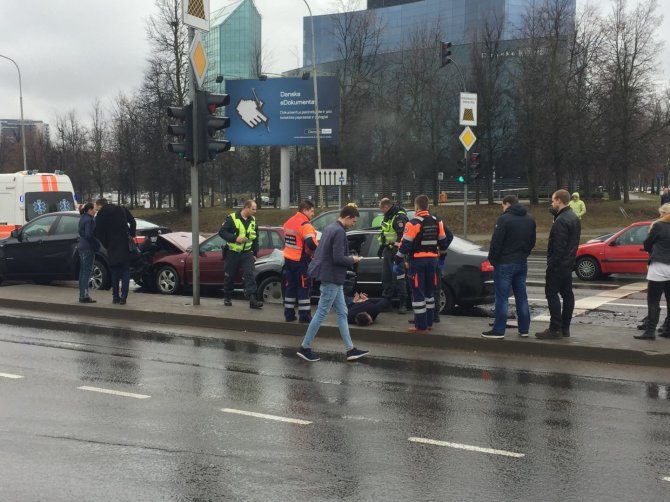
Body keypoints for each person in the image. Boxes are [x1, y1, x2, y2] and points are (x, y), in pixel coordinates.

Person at [296, 205, 369, 362]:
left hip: (331, 277)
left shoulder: (330, 228)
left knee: (342, 312)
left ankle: (350, 349)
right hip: (332, 278)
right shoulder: (339, 231)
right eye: (353, 221)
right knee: (322, 312)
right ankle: (305, 347)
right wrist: (353, 259)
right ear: (347, 217)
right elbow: (338, 258)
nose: (354, 224)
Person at [395, 194, 452, 334]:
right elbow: (443, 242)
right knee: (429, 293)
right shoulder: (437, 222)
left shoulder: (413, 223)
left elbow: (405, 245)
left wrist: (397, 261)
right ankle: (429, 322)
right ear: (428, 206)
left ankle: (420, 326)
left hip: (417, 262)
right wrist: (442, 259)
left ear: (416, 207)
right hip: (432, 262)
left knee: (418, 294)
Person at [481, 195, 536, 339]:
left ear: (507, 204)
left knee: (502, 297)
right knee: (521, 297)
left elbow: (496, 243)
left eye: (502, 205)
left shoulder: (504, 219)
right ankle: (524, 329)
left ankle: (498, 330)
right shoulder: (529, 219)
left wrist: (493, 260)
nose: (502, 208)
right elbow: (532, 241)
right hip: (521, 262)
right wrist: (524, 254)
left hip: (504, 263)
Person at [535, 189, 581, 339]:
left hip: (558, 264)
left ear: (560, 201)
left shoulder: (561, 220)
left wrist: (551, 264)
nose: (552, 202)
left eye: (554, 200)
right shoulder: (573, 217)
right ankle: (565, 328)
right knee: (567, 295)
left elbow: (558, 246)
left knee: (551, 293)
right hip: (568, 263)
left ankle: (555, 328)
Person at [635, 203, 670, 340]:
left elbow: (647, 244)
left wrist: (652, 251)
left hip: (659, 266)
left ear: (663, 213)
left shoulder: (658, 226)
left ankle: (650, 331)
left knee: (653, 300)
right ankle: (668, 330)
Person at [219, 199, 262, 309]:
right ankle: (227, 297)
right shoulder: (232, 218)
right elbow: (222, 232)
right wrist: (235, 238)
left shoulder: (253, 221)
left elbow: (255, 238)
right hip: (233, 252)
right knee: (230, 276)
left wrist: (255, 253)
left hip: (247, 253)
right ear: (246, 207)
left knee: (250, 275)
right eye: (253, 209)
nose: (255, 211)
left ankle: (253, 299)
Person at [94, 198, 136, 305]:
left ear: (100, 205)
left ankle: (115, 297)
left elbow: (98, 233)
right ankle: (124, 297)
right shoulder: (121, 209)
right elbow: (133, 222)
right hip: (124, 244)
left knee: (115, 271)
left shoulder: (100, 215)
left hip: (112, 246)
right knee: (126, 271)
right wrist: (131, 235)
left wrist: (107, 244)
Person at [282, 200, 318, 322]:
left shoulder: (289, 222)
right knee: (304, 287)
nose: (313, 213)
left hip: (288, 259)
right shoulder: (305, 224)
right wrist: (319, 248)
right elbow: (311, 243)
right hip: (300, 260)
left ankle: (289, 314)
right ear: (305, 210)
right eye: (311, 211)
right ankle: (304, 316)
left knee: (290, 286)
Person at [377, 198, 409, 314]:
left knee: (399, 278)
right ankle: (387, 303)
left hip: (397, 251)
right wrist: (382, 248)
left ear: (386, 207)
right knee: (386, 278)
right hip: (388, 250)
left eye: (381, 209)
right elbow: (385, 233)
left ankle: (403, 303)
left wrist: (396, 248)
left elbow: (403, 237)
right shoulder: (388, 216)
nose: (381, 211)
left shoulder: (399, 217)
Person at [77, 202, 100, 304]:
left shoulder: (82, 218)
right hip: (88, 248)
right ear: (90, 210)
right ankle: (84, 296)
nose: (95, 211)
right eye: (94, 209)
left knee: (82, 272)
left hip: (81, 247)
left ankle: (82, 294)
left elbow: (81, 232)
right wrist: (97, 244)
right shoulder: (90, 220)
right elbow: (89, 235)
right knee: (86, 272)